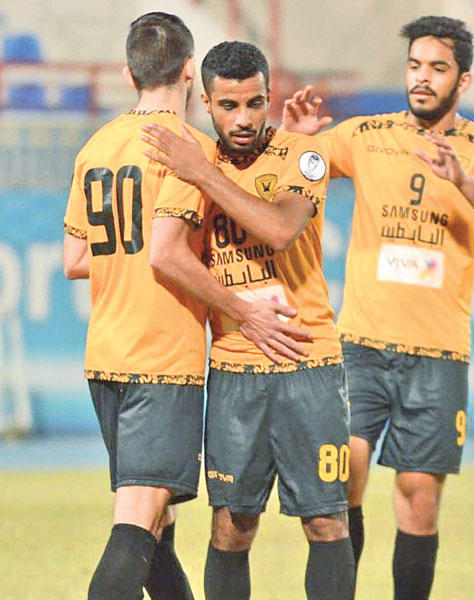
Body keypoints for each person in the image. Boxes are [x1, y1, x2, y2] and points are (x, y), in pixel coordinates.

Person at [283, 15, 474, 599]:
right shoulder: (367, 135)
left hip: (437, 353)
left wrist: (464, 182)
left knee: (419, 497)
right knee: (343, 476)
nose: (422, 78)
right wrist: (293, 137)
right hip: (361, 344)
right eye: (415, 65)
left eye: (437, 68)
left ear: (463, 81)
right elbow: (297, 167)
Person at [62, 14, 302, 600]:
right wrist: (242, 308)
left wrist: (136, 254)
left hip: (106, 357)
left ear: (129, 75)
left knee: (158, 528)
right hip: (160, 360)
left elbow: (75, 257)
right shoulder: (188, 150)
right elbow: (167, 256)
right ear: (191, 71)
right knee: (137, 523)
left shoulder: (96, 146)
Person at [140, 41, 354, 600]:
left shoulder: (302, 154)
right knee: (232, 527)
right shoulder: (189, 163)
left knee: (326, 522)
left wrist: (203, 174)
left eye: (255, 104)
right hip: (235, 369)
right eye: (229, 106)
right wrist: (241, 314)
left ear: (269, 98)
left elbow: (280, 229)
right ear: (207, 102)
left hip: (309, 362)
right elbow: (167, 253)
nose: (243, 119)